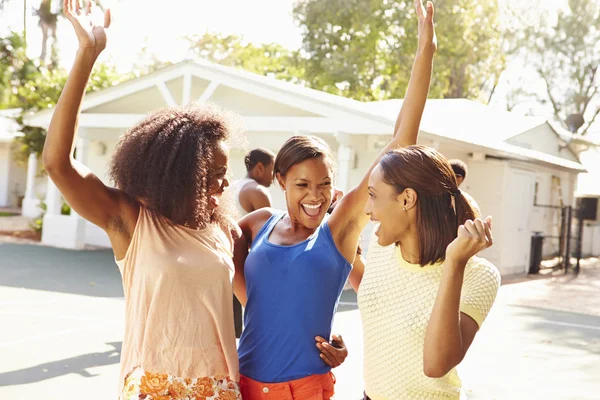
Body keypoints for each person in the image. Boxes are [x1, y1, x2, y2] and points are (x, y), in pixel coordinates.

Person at [233, 1, 437, 398]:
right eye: (302, 185)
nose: (315, 196)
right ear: (279, 181)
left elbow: (402, 141)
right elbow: (226, 270)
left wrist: (425, 49)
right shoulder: (258, 223)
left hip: (306, 389)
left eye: (324, 184)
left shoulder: (338, 228)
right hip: (242, 384)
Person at [43, 2, 243, 398]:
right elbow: (57, 164)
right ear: (179, 174)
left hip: (219, 389)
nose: (224, 183)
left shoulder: (223, 228)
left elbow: (256, 305)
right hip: (153, 387)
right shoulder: (132, 221)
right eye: (212, 174)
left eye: (225, 172)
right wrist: (87, 54)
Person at [358, 146, 500, 400]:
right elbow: (384, 303)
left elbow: (436, 365)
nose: (368, 209)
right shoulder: (381, 249)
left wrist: (454, 264)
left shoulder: (478, 275)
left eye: (373, 195)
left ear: (406, 199)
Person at [233, 148, 275, 216]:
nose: (274, 176)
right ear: (260, 167)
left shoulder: (233, 186)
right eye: (272, 170)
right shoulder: (258, 191)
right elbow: (268, 226)